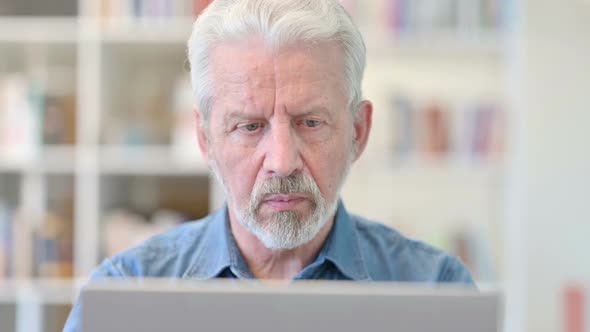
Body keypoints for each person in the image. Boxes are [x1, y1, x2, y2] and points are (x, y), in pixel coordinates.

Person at [64, 0, 473, 330]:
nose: (282, 162)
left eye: (311, 123)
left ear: (358, 132)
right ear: (206, 140)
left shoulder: (436, 290)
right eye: (249, 126)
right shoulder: (127, 294)